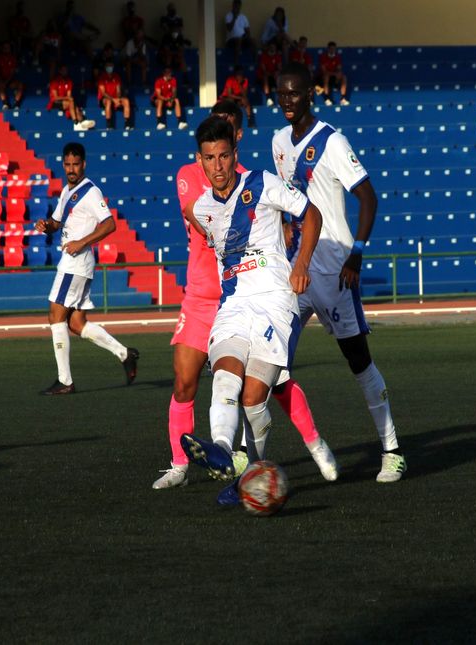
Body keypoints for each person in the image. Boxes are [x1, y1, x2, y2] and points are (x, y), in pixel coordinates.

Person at [153, 100, 337, 492]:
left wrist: (302, 263)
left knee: (254, 398)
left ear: (234, 154)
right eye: (209, 158)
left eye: (223, 156)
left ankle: (257, 468)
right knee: (224, 375)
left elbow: (312, 213)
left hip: (274, 301)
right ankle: (222, 449)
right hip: (233, 303)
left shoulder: (263, 182)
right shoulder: (203, 209)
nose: (217, 166)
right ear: (200, 161)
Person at [273, 62, 406, 482]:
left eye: (294, 92)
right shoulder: (278, 141)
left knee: (358, 360)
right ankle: (253, 457)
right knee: (268, 363)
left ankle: (392, 450)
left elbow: (369, 197)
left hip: (334, 271)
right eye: (281, 93)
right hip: (296, 270)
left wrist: (357, 254)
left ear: (310, 93)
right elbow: (289, 200)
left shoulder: (332, 142)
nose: (287, 100)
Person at [34, 142, 139, 395]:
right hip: (75, 262)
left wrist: (81, 242)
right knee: (76, 323)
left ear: (84, 164)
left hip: (76, 262)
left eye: (76, 164)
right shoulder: (66, 191)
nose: (71, 169)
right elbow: (56, 222)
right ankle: (124, 354)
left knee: (55, 316)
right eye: (68, 164)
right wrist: (46, 226)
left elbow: (110, 224)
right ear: (63, 164)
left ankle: (65, 381)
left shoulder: (90, 192)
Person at [48, 64, 94, 131]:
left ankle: (80, 124)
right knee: (72, 104)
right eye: (63, 70)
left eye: (66, 70)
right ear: (60, 71)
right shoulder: (55, 81)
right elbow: (55, 97)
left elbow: (69, 95)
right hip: (54, 103)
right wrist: (67, 98)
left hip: (66, 102)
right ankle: (79, 122)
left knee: (76, 107)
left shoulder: (69, 81)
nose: (65, 71)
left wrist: (68, 98)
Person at [96, 63, 133, 130]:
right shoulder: (102, 77)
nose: (109, 68)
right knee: (109, 102)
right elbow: (103, 93)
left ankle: (127, 124)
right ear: (105, 67)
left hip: (115, 98)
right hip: (105, 98)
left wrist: (118, 98)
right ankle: (109, 125)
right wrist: (113, 100)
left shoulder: (116, 76)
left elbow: (118, 90)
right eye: (108, 66)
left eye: (111, 66)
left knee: (126, 101)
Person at [152, 66, 186, 130]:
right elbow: (158, 95)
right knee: (160, 101)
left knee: (176, 100)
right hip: (158, 99)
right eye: (168, 73)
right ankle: (159, 123)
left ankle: (180, 122)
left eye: (170, 73)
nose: (170, 74)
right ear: (164, 74)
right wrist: (166, 99)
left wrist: (171, 100)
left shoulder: (173, 80)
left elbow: (174, 93)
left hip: (169, 99)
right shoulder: (159, 81)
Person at [317, 41, 349, 106]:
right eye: (331, 48)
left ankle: (343, 98)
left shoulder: (337, 57)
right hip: (324, 77)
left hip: (334, 76)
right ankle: (327, 98)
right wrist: (334, 74)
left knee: (344, 77)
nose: (332, 50)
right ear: (328, 49)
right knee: (326, 76)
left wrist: (337, 74)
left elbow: (339, 69)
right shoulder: (323, 57)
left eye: (334, 49)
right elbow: (324, 71)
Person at [0, 42, 24, 109]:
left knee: (20, 85)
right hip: (1, 79)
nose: (6, 49)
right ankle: (5, 104)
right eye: (5, 47)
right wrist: (2, 81)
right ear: (2, 48)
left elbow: (12, 73)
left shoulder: (13, 58)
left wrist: (6, 82)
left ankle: (16, 104)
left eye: (8, 47)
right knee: (0, 84)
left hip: (10, 81)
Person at [224, 0, 252, 64]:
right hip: (231, 40)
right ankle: (236, 63)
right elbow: (229, 28)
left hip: (242, 39)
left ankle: (254, 63)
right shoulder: (228, 16)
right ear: (233, 6)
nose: (237, 8)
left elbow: (248, 31)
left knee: (253, 41)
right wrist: (234, 17)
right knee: (238, 40)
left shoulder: (243, 17)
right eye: (235, 6)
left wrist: (247, 36)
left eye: (238, 6)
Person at [256, 40, 283, 106]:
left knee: (278, 76)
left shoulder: (277, 56)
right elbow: (264, 69)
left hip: (273, 76)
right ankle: (268, 98)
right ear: (268, 47)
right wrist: (270, 73)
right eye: (271, 47)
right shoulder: (263, 56)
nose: (272, 48)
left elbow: (279, 68)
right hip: (264, 76)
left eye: (273, 47)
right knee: (266, 77)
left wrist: (276, 72)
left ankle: (279, 97)